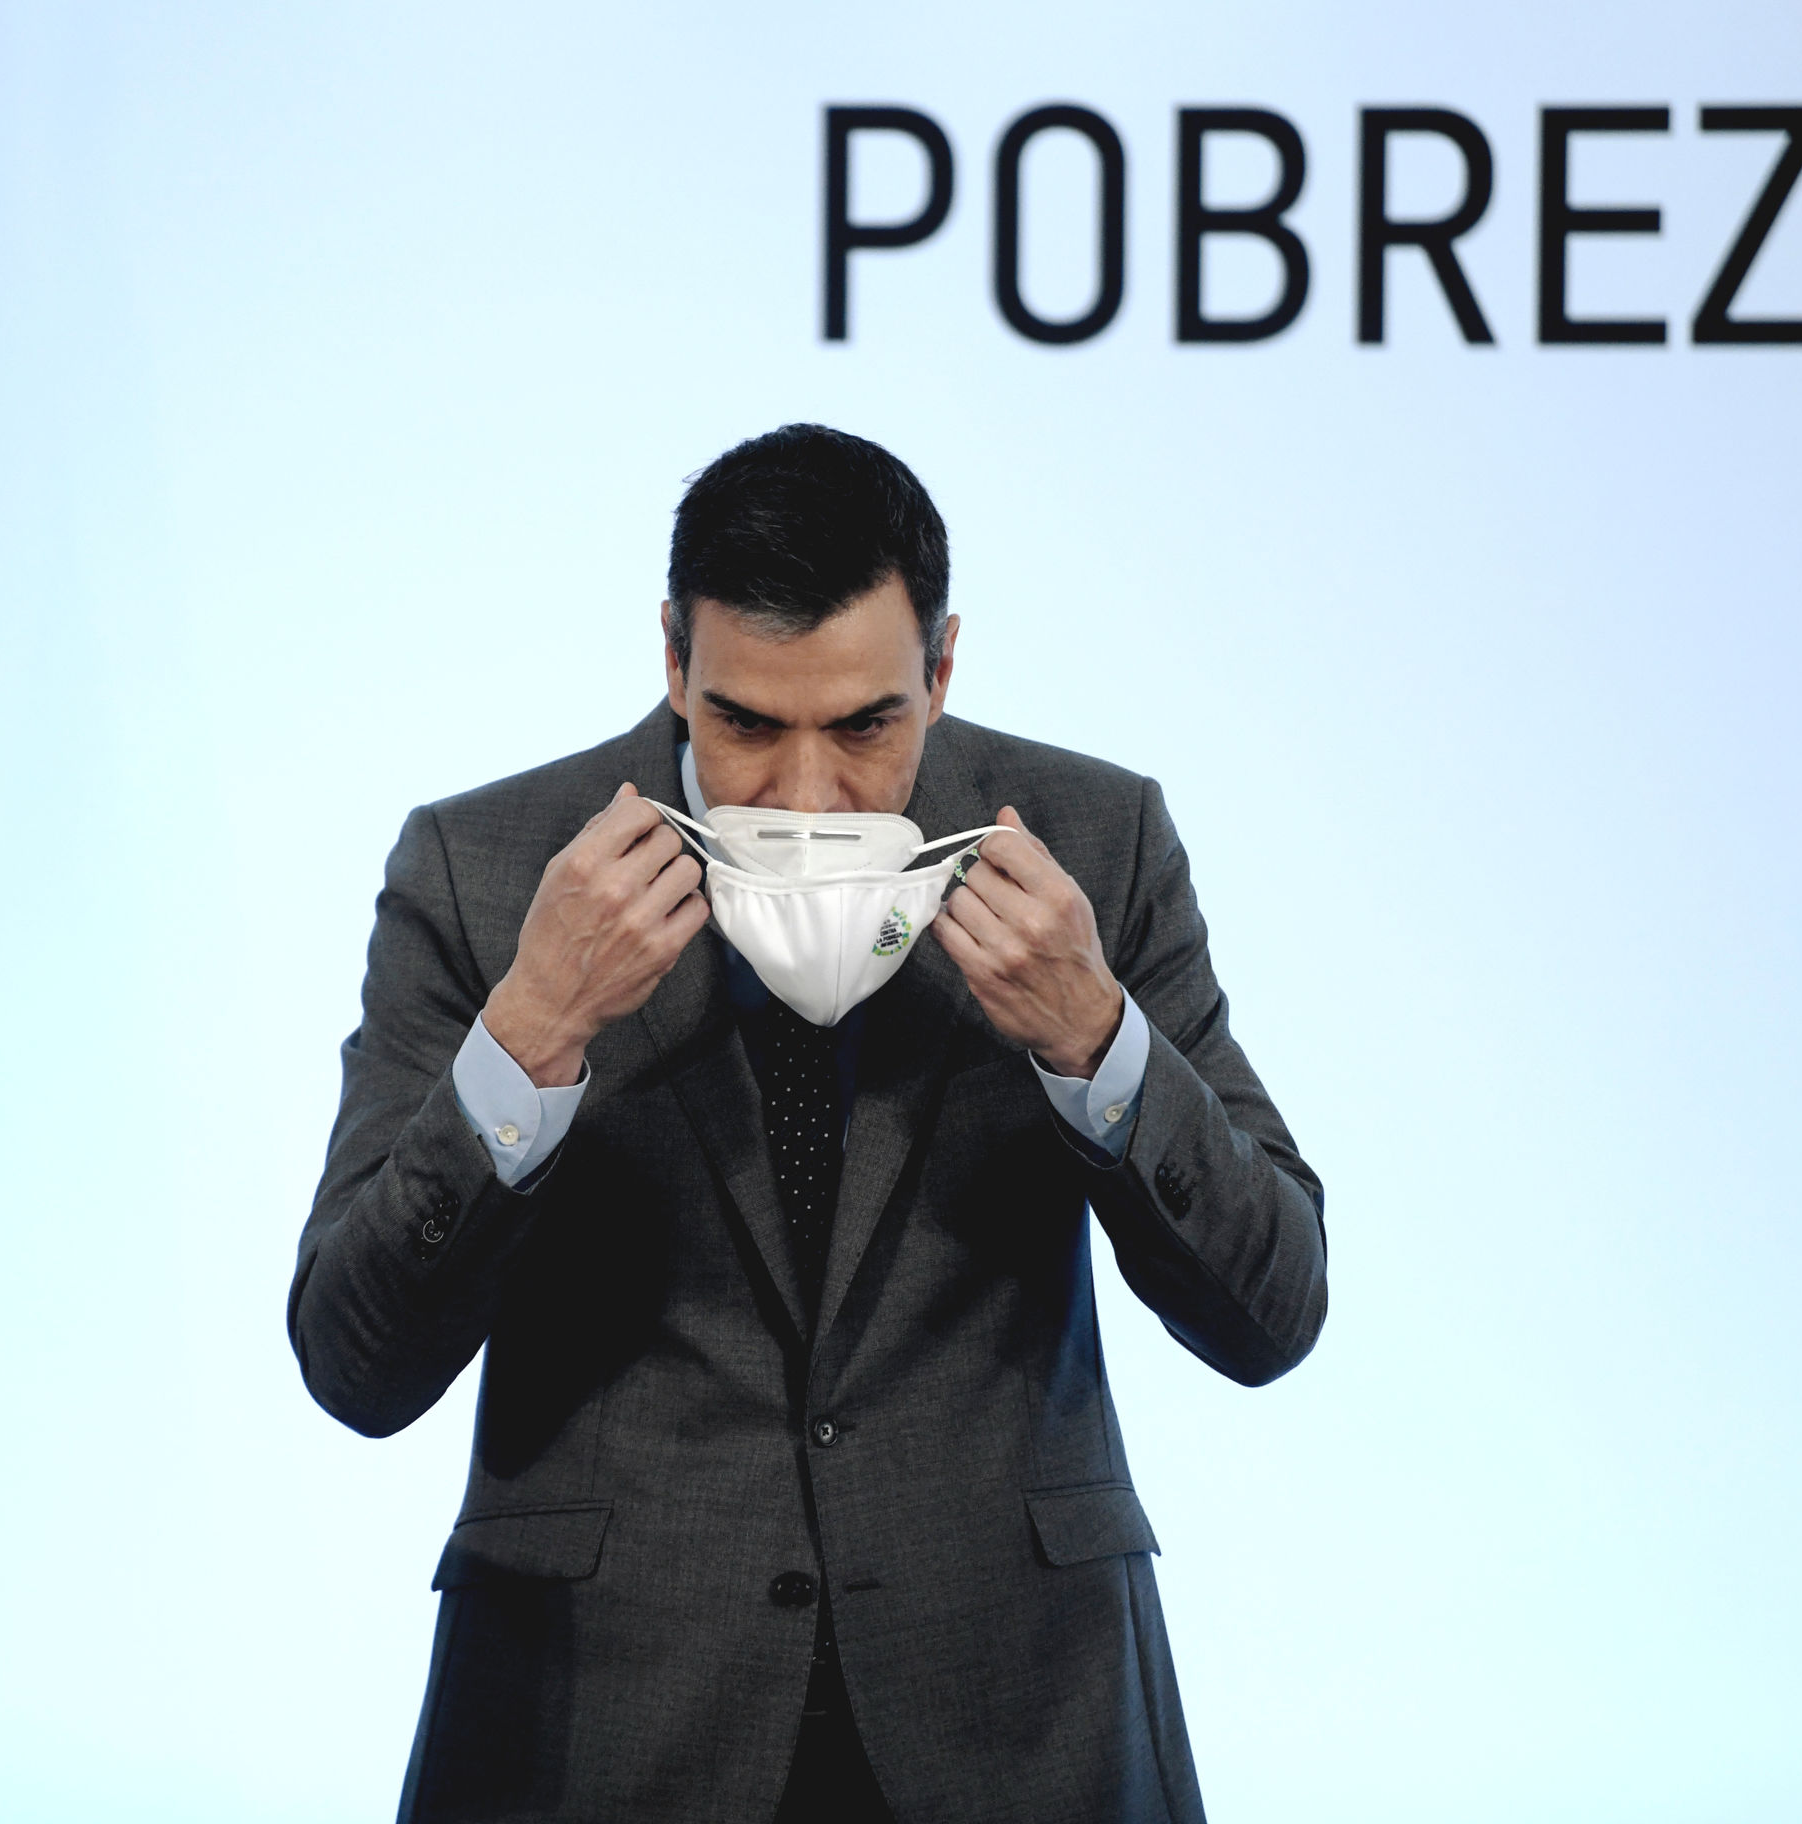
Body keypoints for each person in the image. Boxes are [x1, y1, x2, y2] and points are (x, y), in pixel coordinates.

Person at [289, 424, 1327, 1823]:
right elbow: (355, 1363)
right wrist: (530, 1031)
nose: (805, 794)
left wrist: (1097, 1038)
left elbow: (1274, 1312)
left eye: (865, 727)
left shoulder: (1092, 840)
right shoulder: (487, 868)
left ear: (940, 669)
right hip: (598, 1720)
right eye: (746, 726)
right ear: (674, 659)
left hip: (1019, 1712)